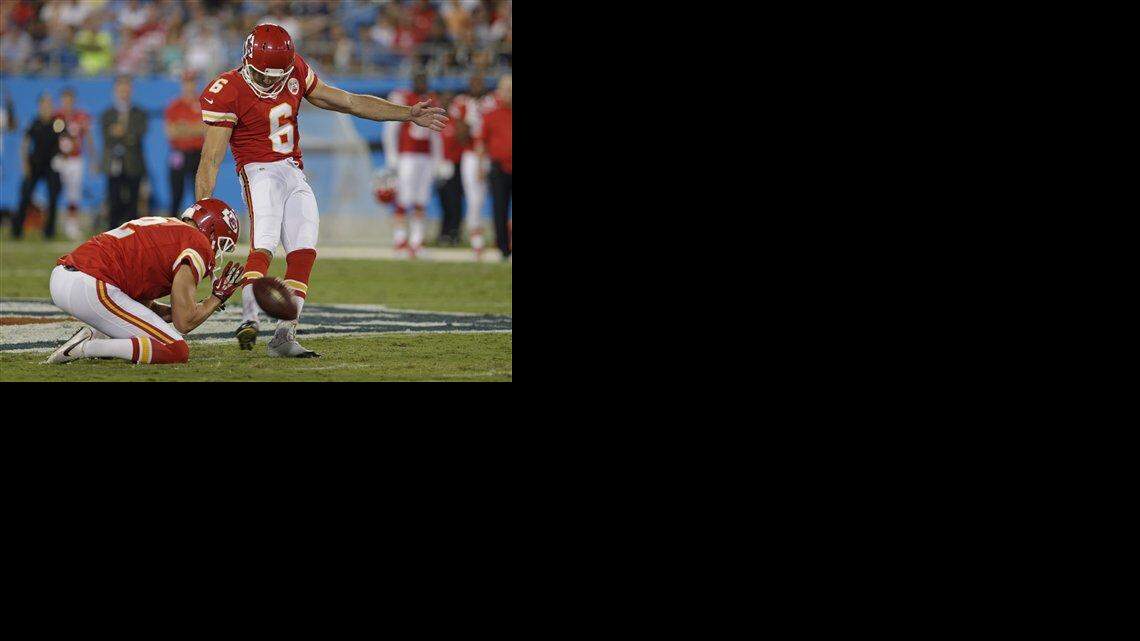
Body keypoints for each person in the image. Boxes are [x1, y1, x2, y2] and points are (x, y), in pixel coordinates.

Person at [194, 23, 447, 357]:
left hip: (294, 171)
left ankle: (285, 335)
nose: (270, 82)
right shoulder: (227, 88)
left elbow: (349, 101)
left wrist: (407, 114)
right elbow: (211, 159)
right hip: (258, 172)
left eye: (275, 76)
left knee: (303, 250)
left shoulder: (296, 68)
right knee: (265, 243)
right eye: (263, 75)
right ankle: (249, 319)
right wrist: (202, 211)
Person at [46, 198, 243, 365]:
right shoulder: (198, 243)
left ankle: (96, 335)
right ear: (211, 231)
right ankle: (87, 347)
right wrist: (216, 298)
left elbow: (142, 308)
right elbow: (184, 323)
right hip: (92, 283)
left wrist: (197, 306)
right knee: (175, 349)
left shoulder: (166, 225)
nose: (217, 252)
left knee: (145, 332)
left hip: (68, 277)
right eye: (223, 244)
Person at [385, 70, 442, 257]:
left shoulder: (432, 100)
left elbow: (436, 134)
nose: (421, 83)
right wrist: (392, 156)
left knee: (421, 199)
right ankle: (400, 241)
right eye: (418, 79)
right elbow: (391, 129)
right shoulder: (404, 98)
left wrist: (438, 159)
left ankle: (417, 242)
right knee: (403, 198)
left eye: (424, 80)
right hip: (407, 156)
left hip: (425, 156)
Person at [453, 73, 498, 258]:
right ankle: (477, 243)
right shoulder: (462, 102)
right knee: (475, 199)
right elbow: (460, 134)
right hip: (472, 155)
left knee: (500, 198)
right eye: (474, 82)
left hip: (493, 155)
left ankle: (501, 238)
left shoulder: (493, 101)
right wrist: (468, 123)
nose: (477, 85)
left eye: (480, 82)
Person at [100, 75, 148, 229]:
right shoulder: (107, 114)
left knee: (133, 202)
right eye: (121, 87)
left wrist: (121, 132)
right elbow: (107, 136)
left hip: (133, 163)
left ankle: (132, 237)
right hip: (113, 163)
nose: (124, 91)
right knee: (114, 200)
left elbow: (139, 133)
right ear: (115, 90)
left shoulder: (139, 112)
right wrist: (127, 134)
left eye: (127, 87)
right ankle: (112, 235)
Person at [13, 93, 62, 240]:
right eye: (44, 104)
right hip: (34, 164)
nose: (47, 107)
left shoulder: (58, 123)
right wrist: (25, 163)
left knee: (53, 197)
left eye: (49, 104)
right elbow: (25, 144)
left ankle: (49, 231)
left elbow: (65, 143)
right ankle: (17, 230)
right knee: (25, 196)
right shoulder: (34, 123)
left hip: (51, 166)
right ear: (40, 106)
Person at [53, 87, 92, 240]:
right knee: (54, 190)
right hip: (59, 159)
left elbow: (88, 137)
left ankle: (72, 224)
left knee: (73, 193)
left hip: (76, 158)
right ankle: (52, 223)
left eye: (70, 99)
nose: (67, 103)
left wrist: (92, 157)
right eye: (65, 99)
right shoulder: (56, 116)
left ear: (74, 101)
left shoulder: (81, 116)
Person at [165, 73, 206, 215]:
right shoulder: (175, 105)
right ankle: (172, 229)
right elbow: (171, 132)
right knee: (176, 194)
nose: (190, 86)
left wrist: (184, 128)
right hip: (179, 153)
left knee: (200, 195)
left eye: (192, 82)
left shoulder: (203, 103)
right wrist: (195, 128)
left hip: (198, 153)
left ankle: (201, 228)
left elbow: (205, 129)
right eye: (187, 82)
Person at [481, 74, 511, 259]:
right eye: (507, 89)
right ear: (499, 92)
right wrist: (481, 166)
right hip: (499, 167)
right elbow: (481, 142)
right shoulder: (490, 115)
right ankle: (503, 248)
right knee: (499, 208)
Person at [437, 92, 464, 245]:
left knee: (456, 201)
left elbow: (462, 139)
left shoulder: (456, 120)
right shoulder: (436, 120)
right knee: (444, 202)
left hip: (456, 165)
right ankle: (444, 232)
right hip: (441, 166)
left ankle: (455, 232)